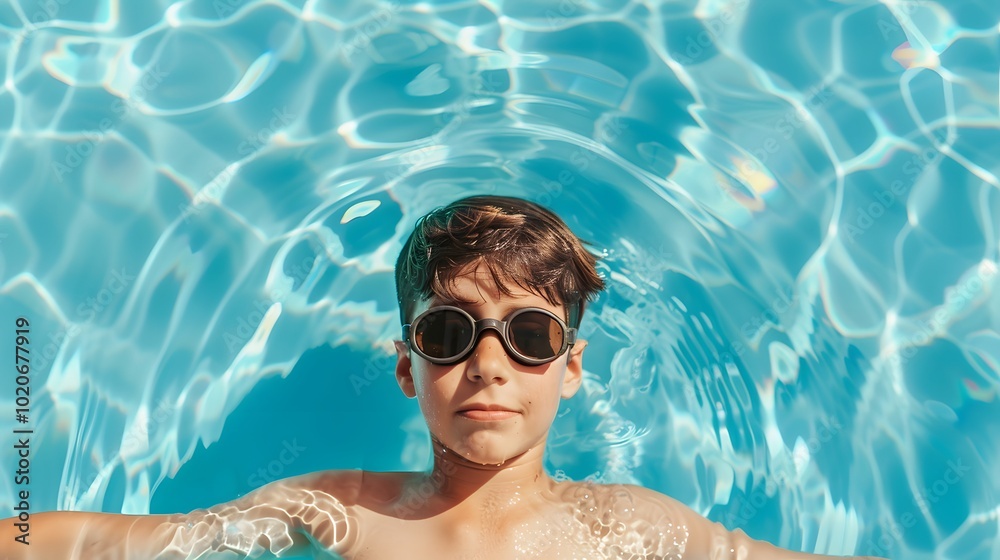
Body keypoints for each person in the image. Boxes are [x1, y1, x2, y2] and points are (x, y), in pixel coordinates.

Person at [1, 196, 884, 559]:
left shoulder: (627, 528)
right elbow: (128, 541)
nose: (489, 363)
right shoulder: (340, 511)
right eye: (451, 332)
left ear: (571, 370)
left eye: (530, 335)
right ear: (406, 365)